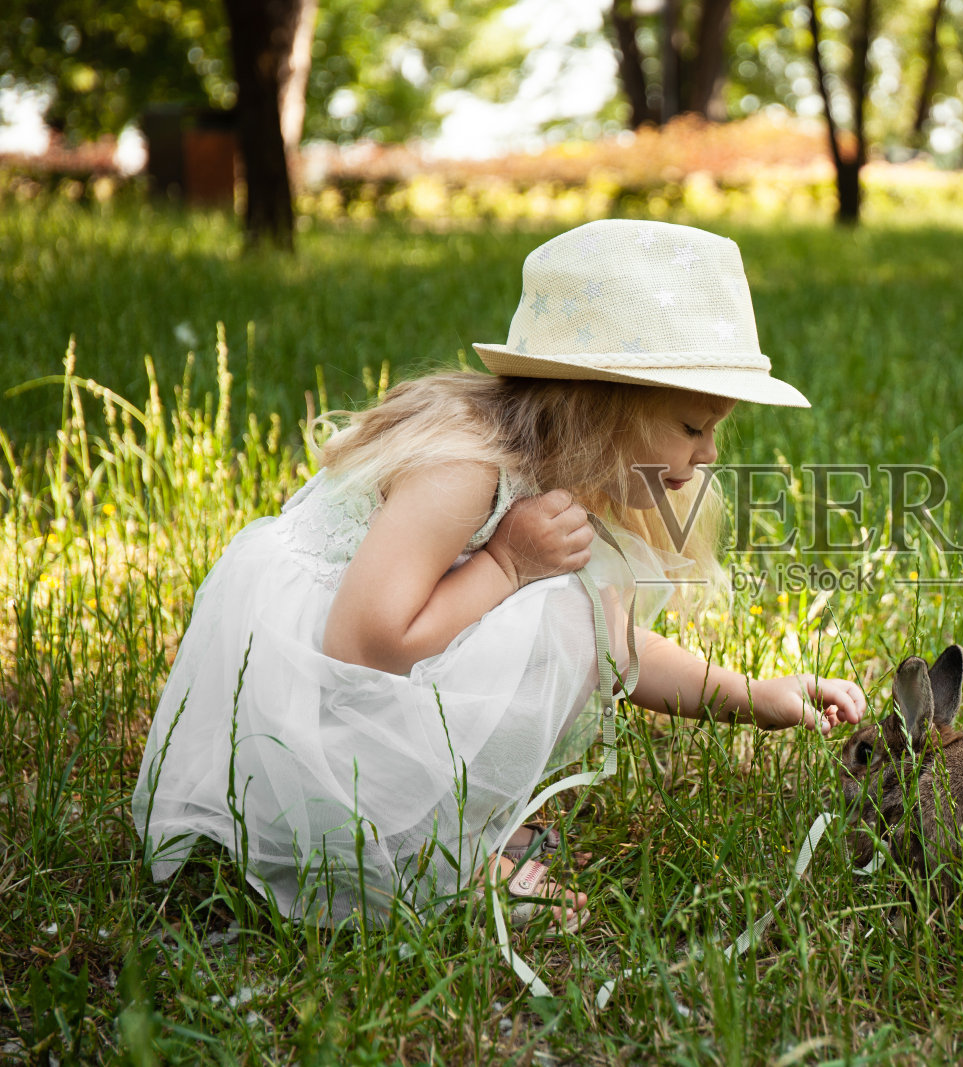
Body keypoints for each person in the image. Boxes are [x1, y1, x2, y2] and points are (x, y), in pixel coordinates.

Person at [132, 219, 867, 932]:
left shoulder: (553, 474)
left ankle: (449, 830)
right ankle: (437, 858)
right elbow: (362, 644)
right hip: (300, 735)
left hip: (347, 702)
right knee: (556, 611)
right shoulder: (465, 466)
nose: (708, 454)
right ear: (599, 408)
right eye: (691, 427)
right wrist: (505, 564)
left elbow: (617, 644)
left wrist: (751, 696)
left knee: (572, 607)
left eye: (715, 429)